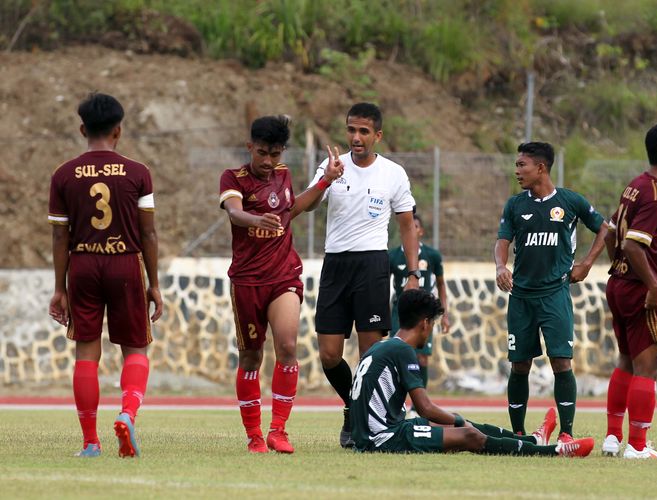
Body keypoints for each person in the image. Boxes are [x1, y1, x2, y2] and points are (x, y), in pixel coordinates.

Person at [219, 115, 343, 454]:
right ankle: (254, 435)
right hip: (246, 280)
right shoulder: (233, 178)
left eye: (275, 154)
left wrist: (324, 183)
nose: (269, 161)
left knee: (287, 346)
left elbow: (294, 209)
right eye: (262, 153)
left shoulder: (284, 174)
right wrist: (254, 218)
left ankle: (278, 431)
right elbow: (233, 212)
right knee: (251, 357)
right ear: (250, 148)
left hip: (283, 275)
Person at [48, 92, 162, 458]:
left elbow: (59, 235)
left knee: (86, 351)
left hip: (83, 264)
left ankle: (90, 442)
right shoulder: (138, 172)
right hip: (125, 263)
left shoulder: (64, 175)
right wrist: (154, 284)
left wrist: (59, 288)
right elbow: (148, 234)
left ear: (83, 129)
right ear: (119, 130)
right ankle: (127, 413)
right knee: (136, 349)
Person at [350, 288, 594, 457]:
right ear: (425, 323)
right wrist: (458, 421)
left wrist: (454, 419)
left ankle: (532, 440)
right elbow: (423, 407)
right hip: (383, 438)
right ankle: (552, 451)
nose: (431, 331)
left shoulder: (383, 346)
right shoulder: (403, 351)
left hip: (375, 433)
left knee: (451, 421)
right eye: (433, 325)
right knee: (468, 435)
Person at [306, 102, 420, 448]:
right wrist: (327, 179)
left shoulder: (393, 174)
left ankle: (368, 424)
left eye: (363, 131)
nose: (356, 137)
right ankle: (352, 405)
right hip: (335, 265)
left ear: (377, 136)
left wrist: (413, 273)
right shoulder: (331, 165)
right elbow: (307, 206)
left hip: (371, 265)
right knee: (329, 354)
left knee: (370, 355)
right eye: (351, 130)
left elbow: (406, 226)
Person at [494, 141, 608, 444]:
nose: (517, 170)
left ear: (540, 168)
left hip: (555, 295)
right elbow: (502, 240)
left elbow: (605, 228)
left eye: (522, 165)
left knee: (561, 362)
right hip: (521, 297)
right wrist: (500, 267)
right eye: (517, 165)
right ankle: (516, 434)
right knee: (519, 365)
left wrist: (585, 264)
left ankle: (566, 432)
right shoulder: (515, 204)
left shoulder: (570, 202)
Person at [601, 124, 657, 460]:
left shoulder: (635, 186)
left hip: (618, 285)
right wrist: (652, 287)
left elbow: (610, 232)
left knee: (626, 360)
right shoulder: (656, 195)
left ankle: (611, 437)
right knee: (647, 367)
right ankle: (636, 446)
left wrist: (618, 265)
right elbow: (635, 247)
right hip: (639, 289)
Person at [388, 214, 449, 403]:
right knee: (397, 355)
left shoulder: (432, 255)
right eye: (409, 226)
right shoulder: (393, 255)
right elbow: (384, 285)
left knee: (422, 358)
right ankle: (396, 402)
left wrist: (445, 314)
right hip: (401, 311)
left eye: (416, 227)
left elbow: (441, 285)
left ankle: (418, 404)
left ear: (421, 231)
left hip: (425, 312)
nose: (412, 230)